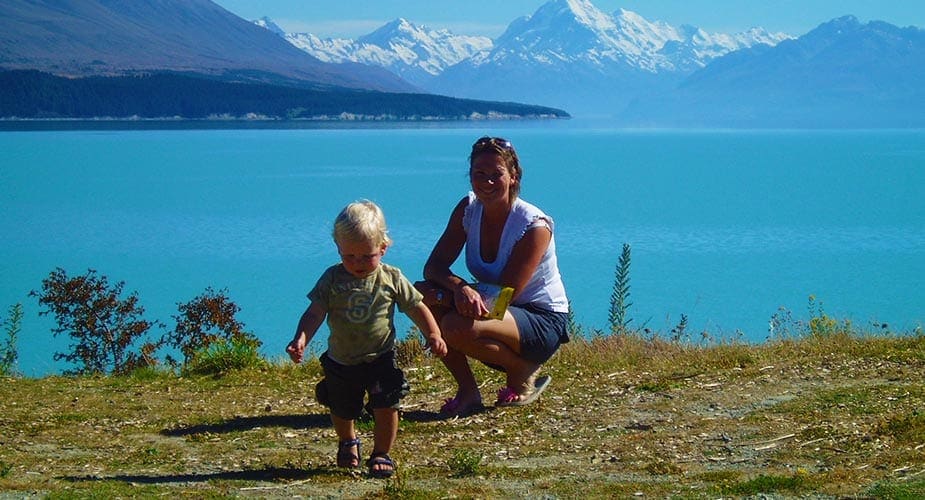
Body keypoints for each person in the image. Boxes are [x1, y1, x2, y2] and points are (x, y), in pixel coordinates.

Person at [286, 200, 447, 479]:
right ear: (338, 249)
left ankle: (381, 453)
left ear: (383, 248)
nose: (358, 263)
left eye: (367, 256)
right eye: (350, 256)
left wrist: (433, 333)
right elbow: (315, 313)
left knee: (386, 404)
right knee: (342, 407)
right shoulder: (332, 279)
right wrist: (301, 338)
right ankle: (347, 440)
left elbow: (416, 307)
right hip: (341, 359)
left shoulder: (391, 278)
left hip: (381, 357)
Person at [416, 136, 570, 417]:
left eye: (495, 175)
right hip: (496, 310)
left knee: (452, 324)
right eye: (479, 174)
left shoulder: (534, 226)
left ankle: (522, 370)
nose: (487, 182)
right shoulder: (468, 210)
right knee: (420, 296)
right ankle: (468, 392)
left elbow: (503, 294)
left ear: (513, 177)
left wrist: (452, 295)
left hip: (540, 320)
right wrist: (459, 288)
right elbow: (433, 267)